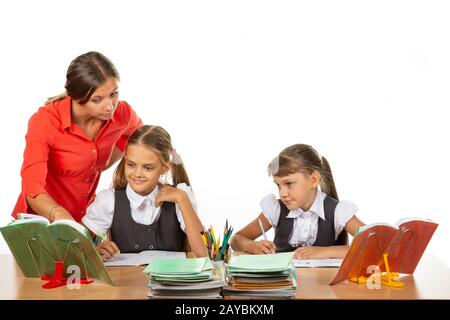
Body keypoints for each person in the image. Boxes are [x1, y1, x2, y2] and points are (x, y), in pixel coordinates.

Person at [12, 51, 142, 223]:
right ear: (76, 97)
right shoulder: (45, 121)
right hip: (42, 221)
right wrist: (58, 214)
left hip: (87, 220)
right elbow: (31, 186)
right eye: (97, 100)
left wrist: (97, 165)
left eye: (113, 94)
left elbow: (138, 138)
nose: (110, 107)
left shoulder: (122, 114)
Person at [82, 125, 206, 260]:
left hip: (170, 281)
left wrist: (182, 199)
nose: (137, 174)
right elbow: (76, 245)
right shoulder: (109, 200)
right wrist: (95, 249)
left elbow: (202, 255)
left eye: (147, 167)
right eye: (131, 164)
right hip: (125, 280)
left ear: (165, 168)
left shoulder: (180, 197)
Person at [230, 144, 365, 259]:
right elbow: (236, 239)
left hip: (323, 287)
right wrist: (252, 246)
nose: (283, 193)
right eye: (278, 185)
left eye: (289, 183)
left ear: (313, 180)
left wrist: (325, 252)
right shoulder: (276, 209)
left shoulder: (337, 211)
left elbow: (374, 244)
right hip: (282, 285)